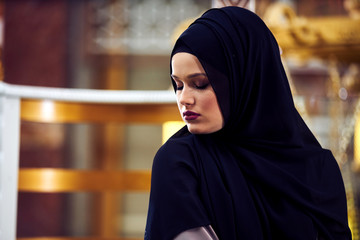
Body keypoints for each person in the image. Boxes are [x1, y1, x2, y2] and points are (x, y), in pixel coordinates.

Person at [145, 6, 352, 240]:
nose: (184, 99)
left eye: (200, 83)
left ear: (246, 80)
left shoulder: (319, 170)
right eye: (178, 85)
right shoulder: (180, 162)